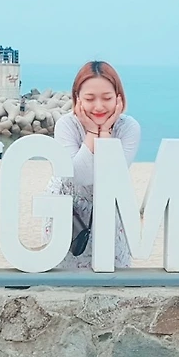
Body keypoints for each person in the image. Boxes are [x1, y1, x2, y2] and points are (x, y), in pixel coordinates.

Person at [42, 61, 140, 270]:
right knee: (64, 276)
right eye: (89, 98)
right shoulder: (67, 125)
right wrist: (93, 133)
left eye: (107, 98)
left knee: (110, 273)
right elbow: (80, 176)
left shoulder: (128, 128)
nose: (98, 106)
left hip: (108, 209)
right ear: (77, 98)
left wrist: (105, 132)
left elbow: (112, 177)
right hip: (70, 210)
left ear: (119, 98)